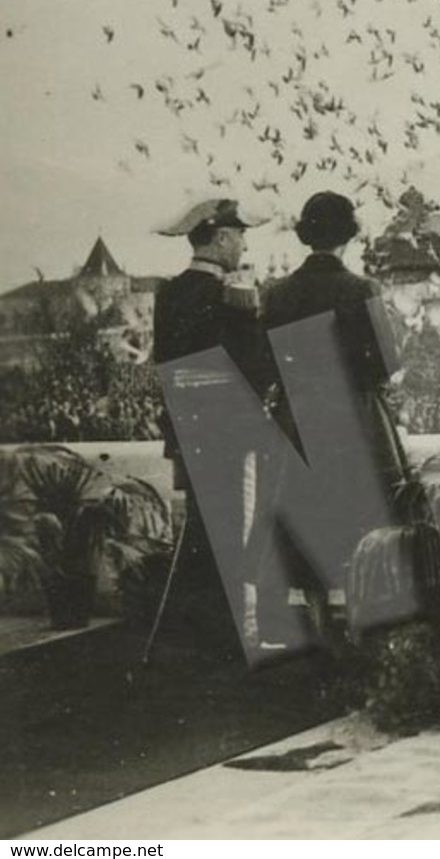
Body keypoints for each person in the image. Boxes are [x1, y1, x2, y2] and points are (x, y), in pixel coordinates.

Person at [253, 191, 409, 649]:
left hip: (298, 423)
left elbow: (266, 365)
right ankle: (365, 633)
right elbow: (387, 361)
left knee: (305, 522)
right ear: (348, 234)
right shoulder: (362, 290)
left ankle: (319, 629)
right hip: (354, 421)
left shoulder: (278, 293)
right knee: (367, 523)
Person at [151, 197, 273, 661]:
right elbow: (255, 370)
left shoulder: (168, 294)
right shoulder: (232, 295)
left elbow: (166, 368)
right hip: (231, 431)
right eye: (239, 235)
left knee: (202, 529)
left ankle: (205, 635)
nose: (243, 243)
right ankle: (241, 635)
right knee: (238, 528)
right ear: (221, 238)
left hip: (188, 431)